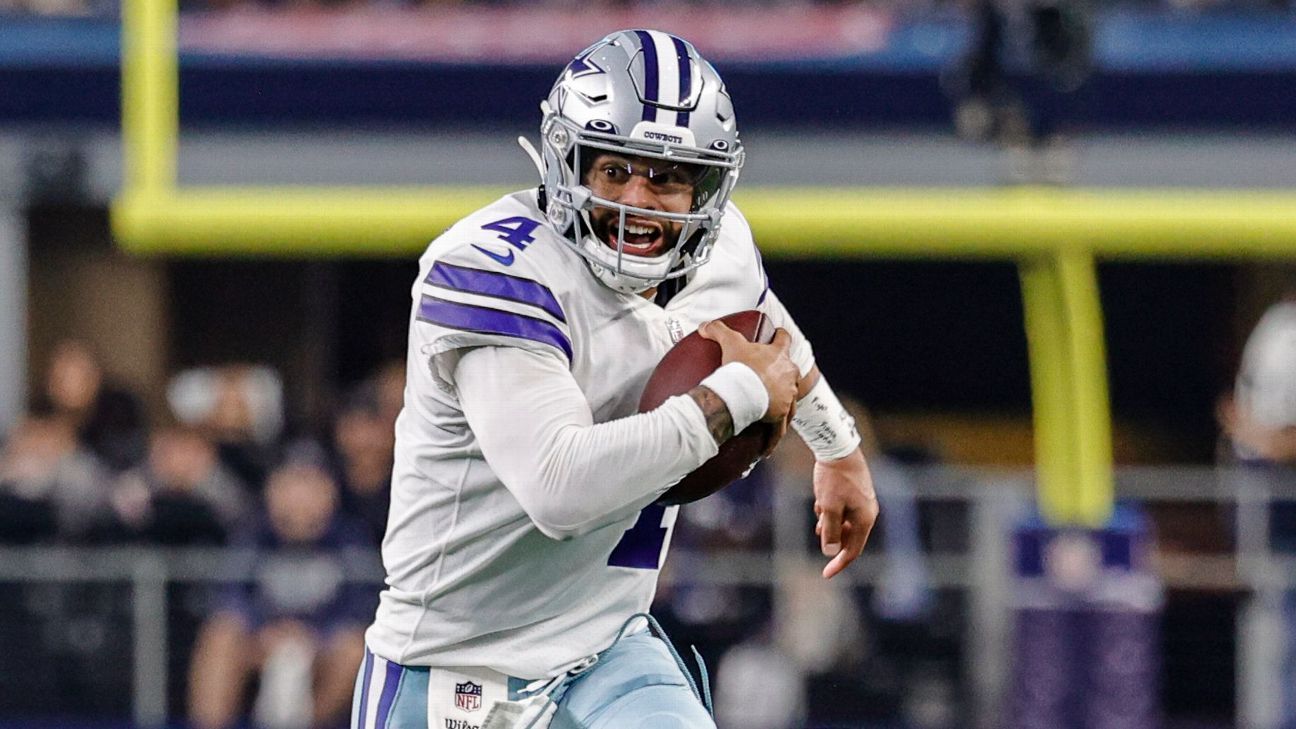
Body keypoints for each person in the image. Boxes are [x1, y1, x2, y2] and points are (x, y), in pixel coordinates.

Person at [353, 30, 878, 729]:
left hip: (607, 651)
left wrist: (837, 447)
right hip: (458, 668)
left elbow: (772, 334)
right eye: (614, 170)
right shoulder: (495, 270)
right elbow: (560, 487)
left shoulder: (718, 249)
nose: (638, 199)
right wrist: (737, 396)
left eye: (664, 177)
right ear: (568, 165)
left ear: (706, 186)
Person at [189, 454, 376, 729]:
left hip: (323, 643)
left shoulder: (351, 538)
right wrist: (266, 632)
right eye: (290, 486)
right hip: (262, 638)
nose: (299, 499)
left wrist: (312, 636)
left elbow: (362, 607)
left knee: (355, 649)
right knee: (220, 636)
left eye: (310, 487)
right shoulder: (252, 534)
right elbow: (229, 595)